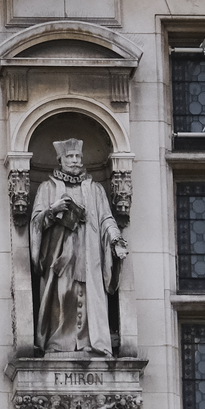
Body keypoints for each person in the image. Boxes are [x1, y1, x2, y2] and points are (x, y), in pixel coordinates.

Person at [29, 139, 127, 355]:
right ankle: (58, 343)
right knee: (64, 296)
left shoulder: (95, 189)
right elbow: (35, 222)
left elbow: (106, 219)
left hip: (90, 253)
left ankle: (90, 342)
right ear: (60, 160)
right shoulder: (47, 188)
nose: (74, 160)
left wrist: (115, 238)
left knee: (88, 294)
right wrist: (52, 211)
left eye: (77, 157)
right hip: (61, 256)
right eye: (69, 157)